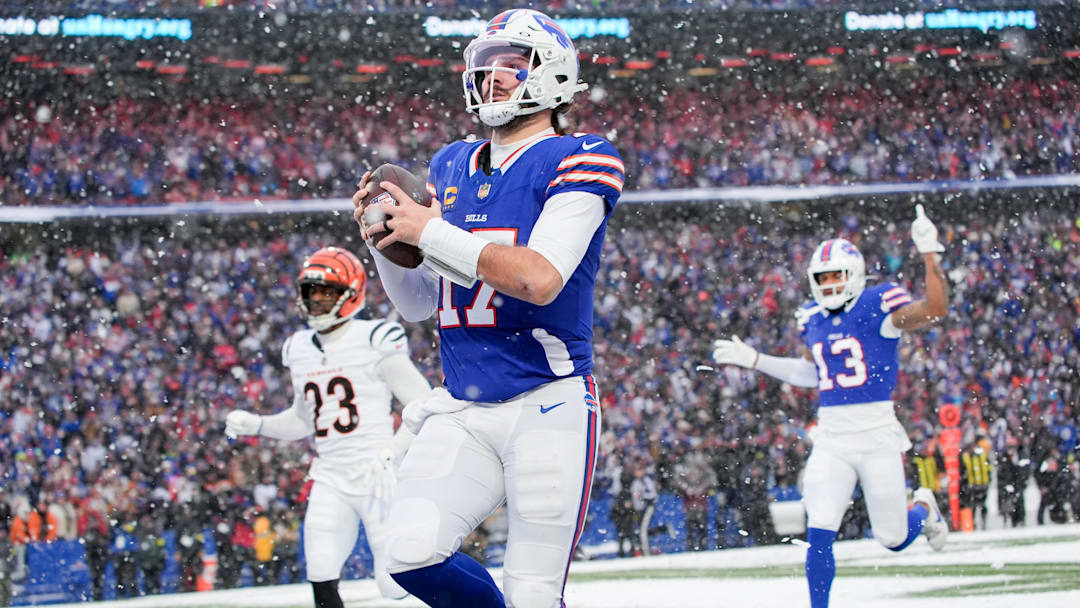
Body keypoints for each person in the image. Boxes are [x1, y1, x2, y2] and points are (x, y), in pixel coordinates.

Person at [351, 8, 624, 607]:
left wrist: (429, 232)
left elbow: (539, 278)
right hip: (462, 404)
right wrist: (387, 243)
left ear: (552, 73)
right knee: (408, 555)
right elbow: (422, 304)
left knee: (532, 592)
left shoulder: (580, 156)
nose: (491, 76)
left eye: (511, 63)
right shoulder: (451, 164)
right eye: (483, 64)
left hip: (547, 403)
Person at [711, 205, 950, 608]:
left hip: (876, 434)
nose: (830, 283)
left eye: (837, 275)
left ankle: (924, 508)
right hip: (834, 437)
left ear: (855, 274)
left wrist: (930, 255)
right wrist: (756, 359)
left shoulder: (877, 304)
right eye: (823, 277)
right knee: (819, 529)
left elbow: (935, 309)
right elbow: (812, 374)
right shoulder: (811, 317)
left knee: (892, 539)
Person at [225, 246, 430, 608]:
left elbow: (422, 403)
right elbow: (303, 420)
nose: (317, 299)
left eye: (327, 291)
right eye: (311, 291)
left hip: (377, 472)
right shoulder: (299, 348)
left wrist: (393, 452)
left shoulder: (374, 339)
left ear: (350, 293)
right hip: (331, 474)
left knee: (395, 581)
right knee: (320, 567)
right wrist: (258, 424)